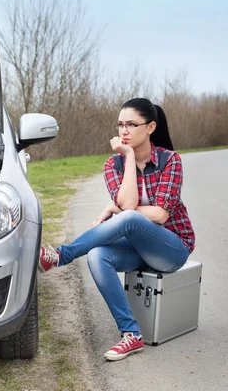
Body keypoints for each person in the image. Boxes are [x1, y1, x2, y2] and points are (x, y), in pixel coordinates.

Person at [37, 97, 196, 362]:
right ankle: (131, 334)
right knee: (97, 256)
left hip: (172, 248)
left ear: (151, 127)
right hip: (138, 249)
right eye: (120, 125)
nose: (124, 131)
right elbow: (129, 203)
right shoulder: (114, 165)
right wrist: (129, 159)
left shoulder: (171, 161)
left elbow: (159, 214)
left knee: (130, 218)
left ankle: (61, 255)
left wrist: (114, 209)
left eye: (132, 125)